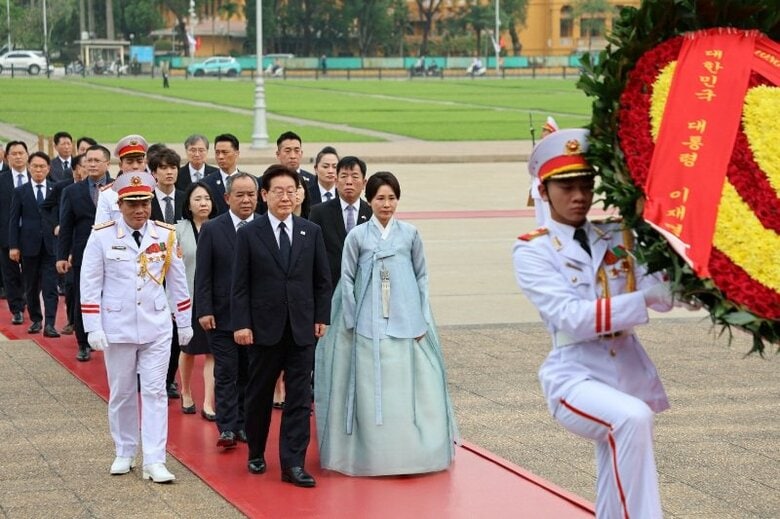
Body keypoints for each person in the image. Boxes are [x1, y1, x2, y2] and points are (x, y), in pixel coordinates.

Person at [512, 128, 674, 518]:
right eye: (566, 186)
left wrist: (681, 264)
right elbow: (574, 318)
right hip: (574, 377)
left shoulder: (617, 235)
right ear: (544, 190)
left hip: (624, 372)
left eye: (586, 184)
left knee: (617, 455)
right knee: (631, 419)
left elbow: (666, 295)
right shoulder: (533, 250)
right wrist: (644, 299)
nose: (579, 195)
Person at [315, 171, 458, 476]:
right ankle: (372, 453)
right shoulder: (357, 236)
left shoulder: (409, 234)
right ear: (370, 201)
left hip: (405, 321)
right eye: (380, 198)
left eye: (392, 198)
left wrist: (421, 318)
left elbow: (421, 276)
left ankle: (409, 451)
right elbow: (347, 279)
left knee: (404, 388)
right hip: (367, 322)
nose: (386, 204)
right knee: (370, 387)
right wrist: (351, 320)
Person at [80, 171, 193, 483]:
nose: (140, 210)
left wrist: (184, 322)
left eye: (144, 203)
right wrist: (93, 326)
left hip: (157, 325)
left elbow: (178, 281)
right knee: (122, 392)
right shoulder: (102, 236)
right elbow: (90, 283)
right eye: (132, 204)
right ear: (120, 205)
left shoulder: (165, 235)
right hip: (118, 326)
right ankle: (125, 450)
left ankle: (155, 460)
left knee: (155, 392)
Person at [231, 164, 331, 487]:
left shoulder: (310, 231)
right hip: (263, 329)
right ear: (265, 195)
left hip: (302, 329)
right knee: (259, 394)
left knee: (299, 398)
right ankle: (256, 451)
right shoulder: (249, 234)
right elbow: (240, 285)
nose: (286, 197)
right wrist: (242, 324)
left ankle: (293, 463)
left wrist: (321, 317)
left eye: (291, 191)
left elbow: (322, 280)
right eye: (279, 191)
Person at [195, 172, 258, 450]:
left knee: (249, 372)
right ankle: (228, 426)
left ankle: (243, 423)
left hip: (256, 317)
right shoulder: (212, 229)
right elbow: (203, 274)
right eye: (240, 195)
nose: (246, 200)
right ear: (227, 197)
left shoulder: (264, 226)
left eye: (251, 194)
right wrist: (204, 309)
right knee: (226, 371)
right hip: (221, 315)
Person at [58, 145, 112, 361]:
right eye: (89, 161)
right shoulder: (72, 192)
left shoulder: (118, 189)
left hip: (113, 253)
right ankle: (83, 342)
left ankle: (111, 337)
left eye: (97, 160)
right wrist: (62, 256)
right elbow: (66, 226)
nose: (92, 164)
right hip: (83, 254)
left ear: (107, 163)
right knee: (84, 297)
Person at [176, 181, 218, 418]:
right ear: (189, 204)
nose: (203, 203)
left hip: (213, 300)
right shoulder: (178, 230)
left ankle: (208, 402)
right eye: (198, 199)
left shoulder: (220, 227)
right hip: (188, 300)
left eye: (207, 199)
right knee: (189, 350)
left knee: (213, 351)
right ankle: (186, 391)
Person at [8, 151, 60, 338]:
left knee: (50, 286)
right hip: (28, 245)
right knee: (31, 286)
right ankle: (36, 319)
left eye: (42, 166)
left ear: (48, 168)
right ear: (29, 168)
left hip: (51, 246)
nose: (38, 170)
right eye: (35, 166)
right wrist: (14, 246)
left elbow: (61, 215)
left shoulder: (55, 189)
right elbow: (14, 220)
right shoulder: (20, 191)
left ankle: (50, 324)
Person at [148, 147, 186, 400]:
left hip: (180, 273)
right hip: (152, 272)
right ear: (154, 172)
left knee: (175, 329)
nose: (169, 172)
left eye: (173, 167)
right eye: (163, 168)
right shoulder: (146, 200)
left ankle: (169, 378)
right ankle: (149, 375)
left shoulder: (186, 198)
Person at [309, 156, 372, 287]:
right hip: (329, 286)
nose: (349, 182)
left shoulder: (371, 213)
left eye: (355, 176)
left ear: (364, 183)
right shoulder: (318, 212)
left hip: (364, 285)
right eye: (344, 176)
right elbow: (311, 254)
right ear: (336, 181)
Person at [0, 141, 29, 326]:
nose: (18, 157)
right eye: (14, 154)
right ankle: (16, 309)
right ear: (7, 157)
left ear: (27, 155)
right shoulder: (2, 180)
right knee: (10, 274)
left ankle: (26, 300)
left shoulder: (36, 176)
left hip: (31, 234)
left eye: (21, 153)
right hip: (6, 235)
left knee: (32, 274)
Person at [95, 134, 149, 224]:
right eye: (130, 162)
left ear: (145, 163)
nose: (135, 166)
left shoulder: (153, 189)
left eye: (139, 161)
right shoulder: (108, 194)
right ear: (120, 165)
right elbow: (101, 228)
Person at [528, 116, 558, 226]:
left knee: (548, 219)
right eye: (544, 130)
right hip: (537, 187)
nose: (543, 133)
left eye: (546, 130)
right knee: (540, 221)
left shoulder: (554, 148)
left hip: (546, 186)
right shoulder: (539, 146)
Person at [203, 133, 241, 215]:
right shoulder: (205, 184)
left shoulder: (250, 182)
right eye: (217, 153)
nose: (220, 157)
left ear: (237, 153)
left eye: (225, 152)